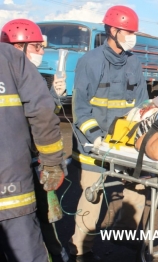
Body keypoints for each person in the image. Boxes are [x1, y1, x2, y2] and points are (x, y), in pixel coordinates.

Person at [69, 5, 149, 262]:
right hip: (95, 145)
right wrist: (96, 139)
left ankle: (124, 235)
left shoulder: (134, 63)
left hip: (124, 144)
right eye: (128, 32)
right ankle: (81, 251)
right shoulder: (89, 62)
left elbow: (141, 106)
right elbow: (80, 109)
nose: (132, 36)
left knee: (138, 187)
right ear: (113, 31)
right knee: (92, 195)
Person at [0, 18, 68, 262]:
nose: (42, 52)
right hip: (16, 179)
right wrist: (52, 162)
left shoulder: (30, 74)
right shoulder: (15, 65)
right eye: (37, 46)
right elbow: (39, 118)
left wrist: (55, 98)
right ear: (18, 47)